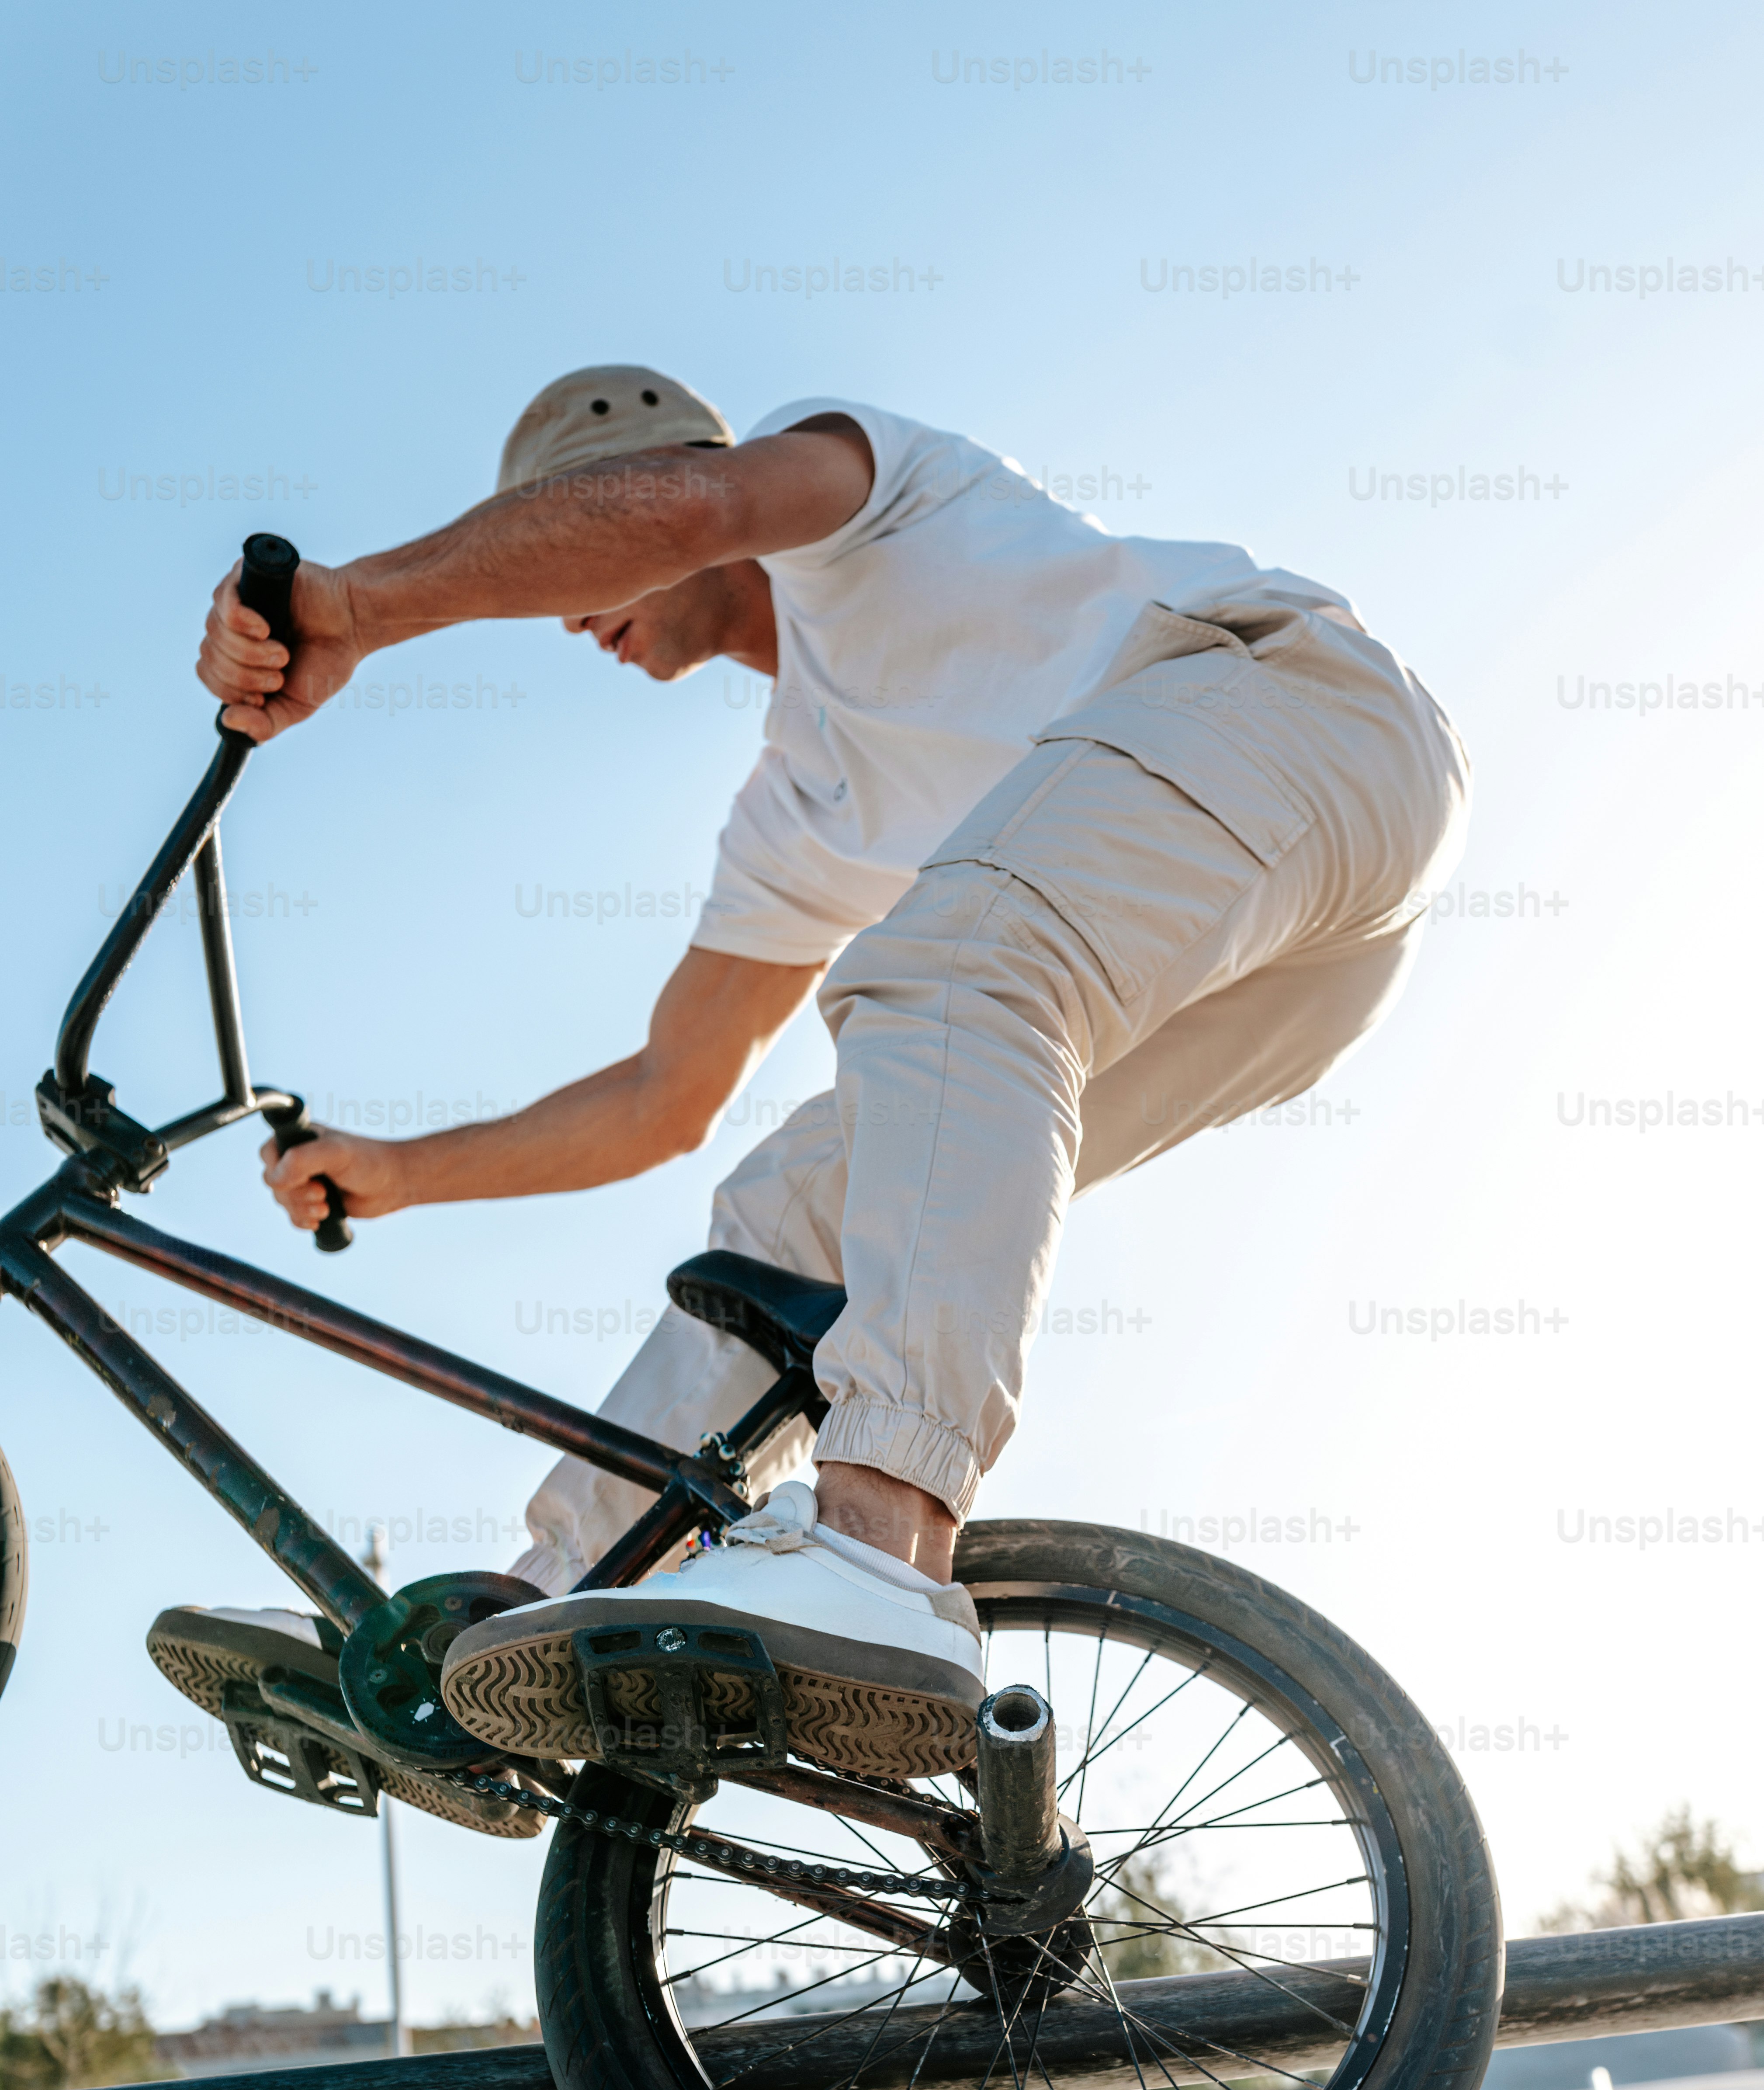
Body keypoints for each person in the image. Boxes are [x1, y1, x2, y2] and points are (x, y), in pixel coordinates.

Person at [152, 363, 1468, 1784]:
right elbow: (667, 1093)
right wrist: (406, 1173)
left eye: (563, 546)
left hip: (1297, 713)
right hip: (1284, 971)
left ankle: (883, 1550)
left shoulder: (861, 498)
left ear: (639, 500)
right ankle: (525, 1635)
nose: (564, 613)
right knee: (800, 1202)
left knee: (948, 970)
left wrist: (359, 606)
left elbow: (700, 503)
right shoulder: (797, 809)